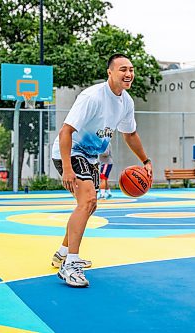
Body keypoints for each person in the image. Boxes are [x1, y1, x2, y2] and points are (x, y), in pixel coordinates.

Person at [50, 54, 153, 287]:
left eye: (131, 69)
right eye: (122, 69)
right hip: (70, 151)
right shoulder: (92, 97)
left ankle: (63, 252)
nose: (128, 74)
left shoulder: (126, 101)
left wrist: (146, 160)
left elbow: (130, 134)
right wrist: (67, 168)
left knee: (90, 205)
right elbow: (66, 131)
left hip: (90, 156)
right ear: (110, 72)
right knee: (86, 201)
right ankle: (70, 265)